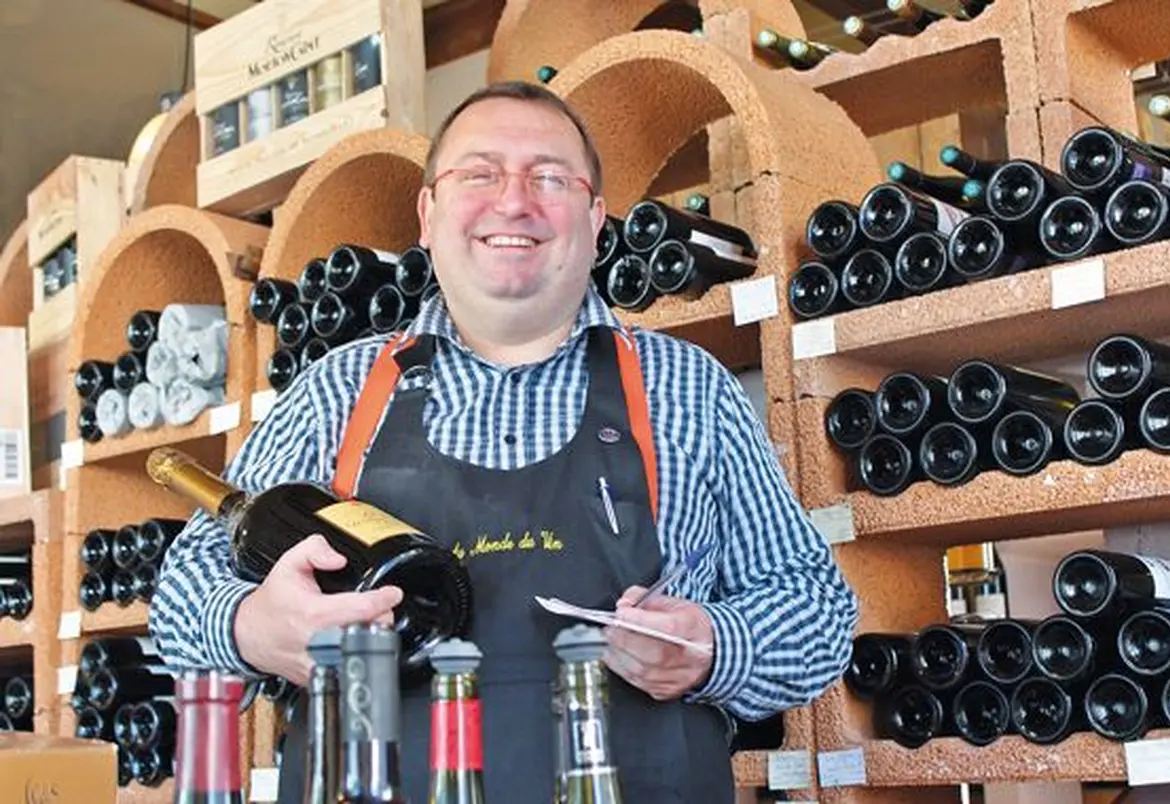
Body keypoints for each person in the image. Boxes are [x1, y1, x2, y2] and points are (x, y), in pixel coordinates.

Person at [149, 80, 859, 802]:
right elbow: (179, 595)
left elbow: (817, 611)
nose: (513, 201)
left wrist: (715, 645)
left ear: (594, 217)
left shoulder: (687, 388)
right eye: (479, 174)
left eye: (549, 177)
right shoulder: (336, 392)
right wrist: (252, 628)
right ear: (428, 214)